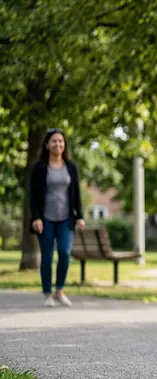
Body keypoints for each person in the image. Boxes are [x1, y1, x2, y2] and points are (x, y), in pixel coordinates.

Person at [29, 129, 85, 307]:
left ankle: (59, 290)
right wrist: (36, 217)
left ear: (64, 145)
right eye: (54, 141)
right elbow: (33, 195)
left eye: (61, 141)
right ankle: (48, 293)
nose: (58, 144)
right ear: (47, 145)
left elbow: (76, 193)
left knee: (65, 252)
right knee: (47, 256)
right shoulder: (39, 168)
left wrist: (80, 215)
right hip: (45, 219)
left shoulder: (71, 167)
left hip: (65, 219)